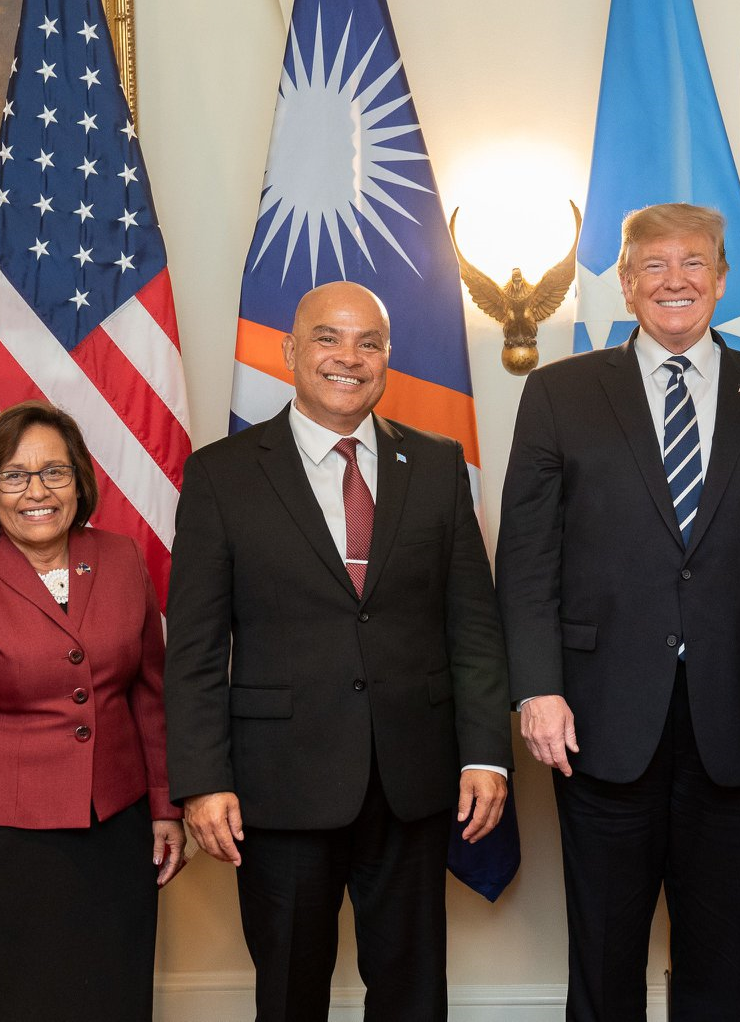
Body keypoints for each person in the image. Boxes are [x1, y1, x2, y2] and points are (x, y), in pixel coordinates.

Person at [498, 203, 740, 1021]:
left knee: (724, 963)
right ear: (624, 283)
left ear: (723, 280)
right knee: (605, 955)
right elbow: (525, 562)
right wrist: (536, 688)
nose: (675, 280)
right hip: (598, 719)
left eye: (694, 262)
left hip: (739, 718)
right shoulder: (559, 395)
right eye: (652, 265)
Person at [164, 281, 511, 1022]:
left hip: (412, 779)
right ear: (289, 351)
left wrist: (486, 754)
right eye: (328, 338)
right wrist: (200, 780)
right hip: (278, 786)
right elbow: (194, 648)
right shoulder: (222, 474)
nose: (348, 357)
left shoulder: (439, 465)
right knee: (291, 994)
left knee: (414, 995)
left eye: (369, 343)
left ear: (388, 357)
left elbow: (473, 626)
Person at [0, 400, 186, 1022]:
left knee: (113, 998)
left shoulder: (121, 559)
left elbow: (150, 694)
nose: (37, 491)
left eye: (54, 472)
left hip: (118, 830)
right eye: (15, 475)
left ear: (79, 481)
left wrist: (166, 805)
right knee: (15, 1001)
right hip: (5, 843)